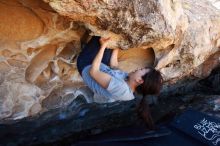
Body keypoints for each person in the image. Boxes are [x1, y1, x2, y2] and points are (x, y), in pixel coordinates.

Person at [77, 36, 163, 129]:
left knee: (101, 36)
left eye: (141, 69)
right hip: (103, 67)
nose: (138, 68)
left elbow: (93, 72)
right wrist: (117, 47)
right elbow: (114, 67)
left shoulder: (121, 89)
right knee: (111, 39)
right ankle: (92, 48)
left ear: (139, 80)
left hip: (87, 65)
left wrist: (103, 47)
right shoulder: (130, 81)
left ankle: (87, 48)